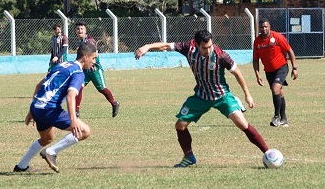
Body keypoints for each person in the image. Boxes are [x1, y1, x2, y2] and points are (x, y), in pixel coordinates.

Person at [135, 30, 270, 167]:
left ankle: (268, 153)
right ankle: (189, 157)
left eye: (210, 46)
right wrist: (147, 46)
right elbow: (165, 46)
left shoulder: (220, 55)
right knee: (180, 125)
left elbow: (237, 73)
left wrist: (247, 94)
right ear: (196, 44)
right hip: (201, 96)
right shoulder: (188, 48)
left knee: (243, 124)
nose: (208, 50)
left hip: (222, 95)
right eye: (204, 48)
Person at [13, 42, 97, 173]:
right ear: (86, 57)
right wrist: (74, 120)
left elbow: (39, 85)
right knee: (85, 131)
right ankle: (51, 152)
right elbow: (71, 96)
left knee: (47, 138)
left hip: (37, 107)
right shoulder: (78, 73)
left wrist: (31, 110)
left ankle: (21, 166)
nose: (94, 62)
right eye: (93, 58)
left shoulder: (63, 64)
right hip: (49, 109)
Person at [253, 18, 298, 128]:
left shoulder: (277, 37)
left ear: (269, 27)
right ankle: (284, 119)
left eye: (266, 26)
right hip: (268, 71)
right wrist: (257, 75)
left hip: (281, 67)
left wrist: (294, 67)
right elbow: (255, 59)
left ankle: (276, 117)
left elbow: (289, 51)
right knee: (279, 93)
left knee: (275, 89)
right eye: (262, 27)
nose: (264, 29)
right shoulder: (257, 41)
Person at [75, 22, 120, 118]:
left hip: (94, 69)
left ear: (85, 30)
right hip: (85, 71)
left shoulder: (90, 41)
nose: (80, 31)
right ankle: (76, 111)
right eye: (78, 29)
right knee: (78, 87)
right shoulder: (80, 42)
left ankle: (114, 103)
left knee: (102, 89)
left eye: (81, 29)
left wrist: (90, 61)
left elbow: (95, 54)